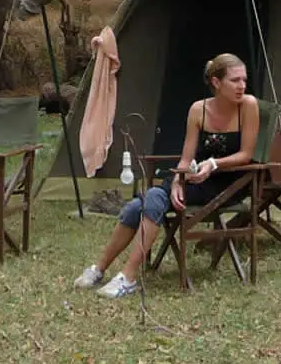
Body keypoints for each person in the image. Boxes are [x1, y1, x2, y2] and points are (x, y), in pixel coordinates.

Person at [74, 53, 260, 298]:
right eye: (235, 80)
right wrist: (177, 181)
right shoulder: (198, 110)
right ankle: (101, 269)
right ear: (216, 82)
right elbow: (185, 158)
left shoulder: (248, 105)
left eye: (244, 80)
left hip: (229, 183)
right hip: (195, 179)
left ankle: (127, 276)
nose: (242, 86)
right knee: (138, 206)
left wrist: (213, 164)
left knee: (150, 199)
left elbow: (246, 155)